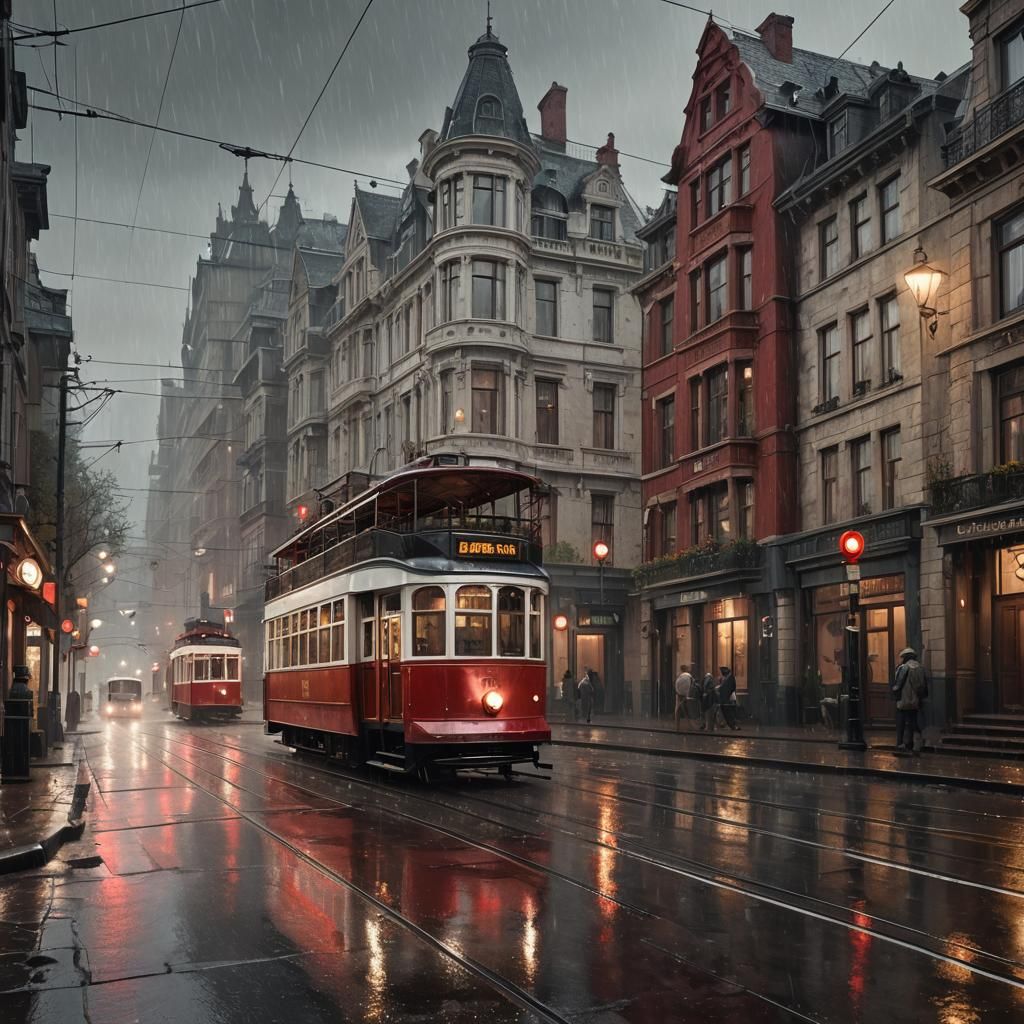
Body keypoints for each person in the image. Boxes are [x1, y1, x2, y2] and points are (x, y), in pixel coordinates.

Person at [892, 647, 927, 755]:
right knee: (913, 722)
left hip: (903, 700)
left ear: (905, 657)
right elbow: (922, 686)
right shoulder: (920, 668)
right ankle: (911, 744)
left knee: (901, 723)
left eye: (901, 657)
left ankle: (900, 744)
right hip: (915, 701)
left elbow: (897, 686)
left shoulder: (903, 668)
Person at [716, 665, 741, 730]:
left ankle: (732, 725)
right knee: (726, 713)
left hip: (727, 698)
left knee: (728, 713)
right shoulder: (727, 678)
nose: (721, 673)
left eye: (721, 671)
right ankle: (730, 725)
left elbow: (728, 688)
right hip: (726, 698)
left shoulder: (729, 678)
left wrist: (719, 688)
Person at [673, 664, 694, 732]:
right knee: (687, 711)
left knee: (678, 711)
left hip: (679, 695)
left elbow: (676, 685)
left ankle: (677, 727)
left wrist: (678, 692)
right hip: (687, 695)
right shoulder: (689, 677)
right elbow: (692, 686)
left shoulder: (680, 677)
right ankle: (690, 726)